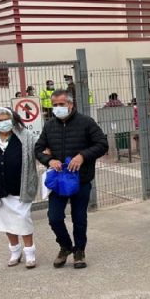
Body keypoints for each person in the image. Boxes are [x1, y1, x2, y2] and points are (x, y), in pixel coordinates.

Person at [35, 90, 109, 269]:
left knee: (79, 218)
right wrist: (49, 160)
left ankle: (79, 251)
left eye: (62, 104)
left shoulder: (86, 122)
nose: (58, 108)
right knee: (54, 217)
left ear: (70, 104)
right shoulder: (50, 126)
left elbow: (102, 144)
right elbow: (38, 148)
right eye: (55, 105)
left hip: (81, 179)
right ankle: (65, 246)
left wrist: (82, 156)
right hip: (58, 181)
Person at [0, 107, 39, 268]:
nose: (3, 123)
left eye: (6, 119)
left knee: (23, 220)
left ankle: (30, 253)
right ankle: (15, 252)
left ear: (13, 119)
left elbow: (39, 150)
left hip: (21, 188)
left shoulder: (25, 137)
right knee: (7, 222)